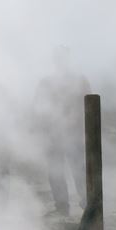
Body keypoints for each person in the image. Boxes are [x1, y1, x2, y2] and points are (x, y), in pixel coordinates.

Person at [32, 47, 89, 219]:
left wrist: (79, 125)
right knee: (55, 171)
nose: (60, 62)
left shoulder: (80, 81)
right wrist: (42, 129)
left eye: (63, 58)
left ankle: (88, 204)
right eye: (58, 59)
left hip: (74, 133)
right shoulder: (46, 83)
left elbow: (88, 105)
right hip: (53, 134)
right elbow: (38, 108)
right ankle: (62, 207)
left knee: (79, 170)